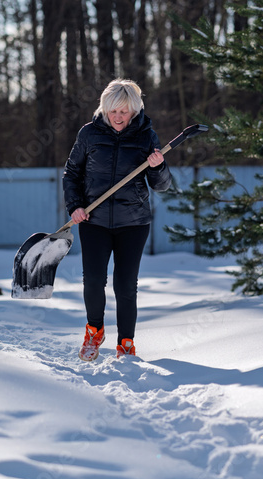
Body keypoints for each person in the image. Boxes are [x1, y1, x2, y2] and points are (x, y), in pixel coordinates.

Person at [63, 79, 171, 361]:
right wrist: (75, 206)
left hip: (133, 222)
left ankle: (126, 343)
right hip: (94, 220)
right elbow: (71, 173)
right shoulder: (89, 134)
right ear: (105, 109)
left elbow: (160, 185)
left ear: (134, 110)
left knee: (125, 284)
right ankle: (94, 331)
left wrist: (159, 168)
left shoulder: (146, 136)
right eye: (113, 111)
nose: (118, 117)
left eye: (124, 111)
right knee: (94, 280)